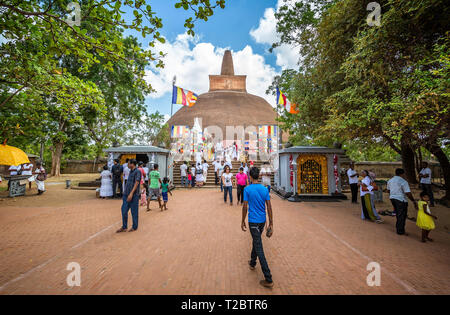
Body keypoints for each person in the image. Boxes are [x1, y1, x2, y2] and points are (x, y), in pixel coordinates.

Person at [241, 166, 274, 288]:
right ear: (259, 176)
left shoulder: (247, 189)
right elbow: (269, 207)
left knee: (259, 246)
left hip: (253, 222)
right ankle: (253, 262)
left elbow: (245, 206)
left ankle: (268, 278)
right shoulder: (264, 189)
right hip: (262, 222)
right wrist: (271, 223)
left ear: (250, 176)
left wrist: (242, 220)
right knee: (257, 240)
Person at [387, 168, 418, 236]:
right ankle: (400, 231)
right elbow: (408, 193)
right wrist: (413, 200)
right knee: (402, 215)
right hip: (401, 200)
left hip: (393, 198)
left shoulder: (390, 180)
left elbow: (388, 190)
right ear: (403, 174)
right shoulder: (403, 181)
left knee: (398, 214)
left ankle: (399, 228)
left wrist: (392, 196)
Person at [117, 159, 140, 233]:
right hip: (126, 194)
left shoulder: (137, 171)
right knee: (124, 210)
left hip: (134, 195)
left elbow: (137, 183)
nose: (127, 165)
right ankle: (124, 226)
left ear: (132, 164)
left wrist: (131, 193)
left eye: (129, 163)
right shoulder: (130, 171)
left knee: (134, 211)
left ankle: (134, 226)